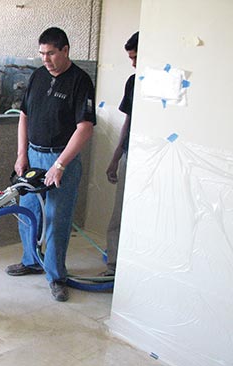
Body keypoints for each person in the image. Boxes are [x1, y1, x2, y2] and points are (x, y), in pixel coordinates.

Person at [5, 27, 96, 302]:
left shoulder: (80, 81)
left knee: (56, 219)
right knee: (27, 212)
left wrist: (59, 164)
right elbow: (24, 116)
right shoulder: (37, 76)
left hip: (60, 160)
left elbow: (85, 127)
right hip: (33, 156)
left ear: (65, 50)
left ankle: (56, 276)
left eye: (51, 53)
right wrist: (22, 155)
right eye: (42, 53)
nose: (45, 59)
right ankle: (31, 260)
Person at [100, 31, 139, 277]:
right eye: (130, 58)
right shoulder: (133, 82)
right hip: (130, 154)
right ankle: (113, 266)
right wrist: (115, 158)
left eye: (137, 57)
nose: (133, 63)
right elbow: (128, 121)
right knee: (120, 212)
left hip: (155, 161)